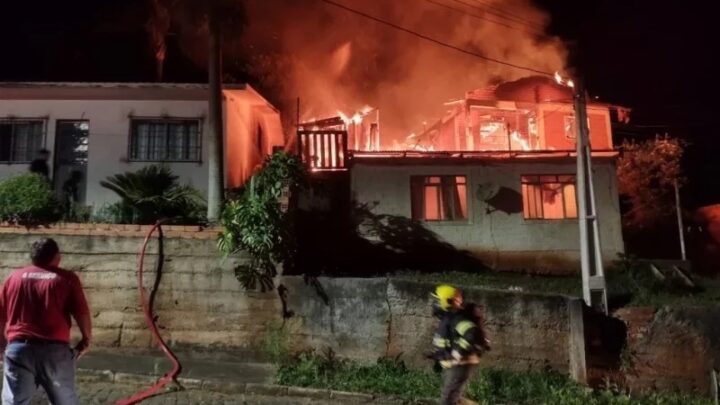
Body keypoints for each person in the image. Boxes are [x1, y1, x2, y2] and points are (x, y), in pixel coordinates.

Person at [0, 238, 92, 405]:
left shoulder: (13, 278)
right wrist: (86, 339)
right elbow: (81, 312)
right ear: (56, 256)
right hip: (54, 351)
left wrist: (1, 344)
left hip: (19, 349)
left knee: (14, 401)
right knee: (65, 400)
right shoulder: (66, 279)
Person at [430, 285, 490, 405]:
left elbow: (470, 332)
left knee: (447, 400)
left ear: (447, 301)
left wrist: (458, 351)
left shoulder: (456, 319)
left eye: (437, 300)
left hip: (461, 364)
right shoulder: (448, 318)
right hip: (454, 365)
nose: (434, 304)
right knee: (454, 397)